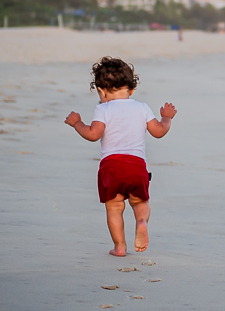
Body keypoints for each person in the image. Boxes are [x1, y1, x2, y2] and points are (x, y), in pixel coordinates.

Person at [64, 57, 177, 257]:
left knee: (114, 208)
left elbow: (93, 135)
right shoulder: (142, 107)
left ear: (101, 91)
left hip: (112, 167)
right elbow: (159, 131)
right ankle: (141, 222)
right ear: (131, 90)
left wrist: (77, 123)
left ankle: (120, 247)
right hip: (137, 166)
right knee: (140, 202)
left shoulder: (103, 109)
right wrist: (166, 117)